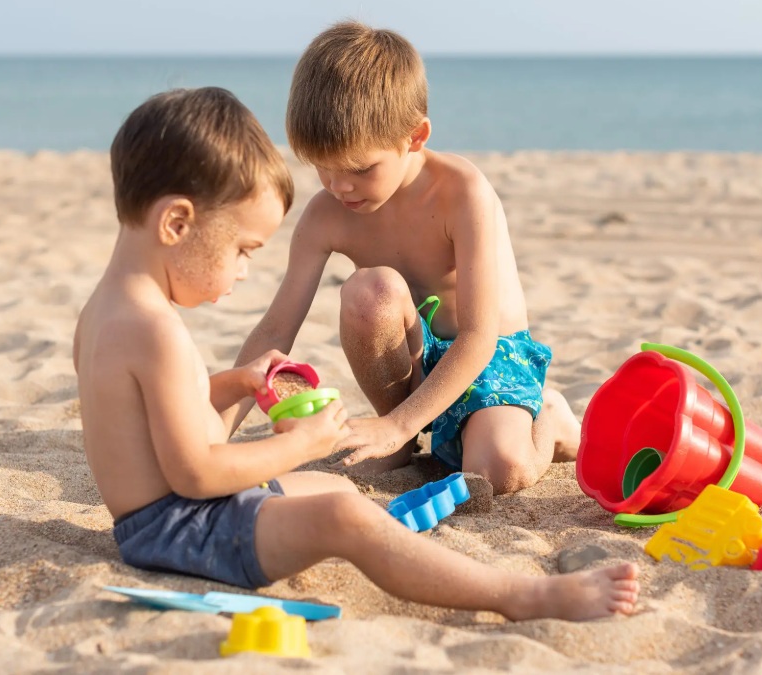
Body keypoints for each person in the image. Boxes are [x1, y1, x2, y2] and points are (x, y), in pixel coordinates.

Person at [73, 87, 639, 620]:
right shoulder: (157, 333)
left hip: (156, 521)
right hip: (184, 530)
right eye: (242, 251)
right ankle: (519, 595)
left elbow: (159, 423)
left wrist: (237, 383)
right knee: (346, 517)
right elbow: (196, 472)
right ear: (175, 223)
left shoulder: (107, 313)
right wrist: (298, 445)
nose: (243, 271)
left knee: (343, 489)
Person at [229, 21, 582, 495]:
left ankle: (552, 418)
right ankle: (397, 442)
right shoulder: (327, 215)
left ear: (414, 137)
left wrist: (401, 422)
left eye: (359, 168)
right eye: (322, 167)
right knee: (369, 292)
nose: (339, 186)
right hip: (412, 365)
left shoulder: (462, 194)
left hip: (487, 356)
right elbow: (275, 331)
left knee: (497, 472)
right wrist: (217, 433)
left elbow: (479, 337)